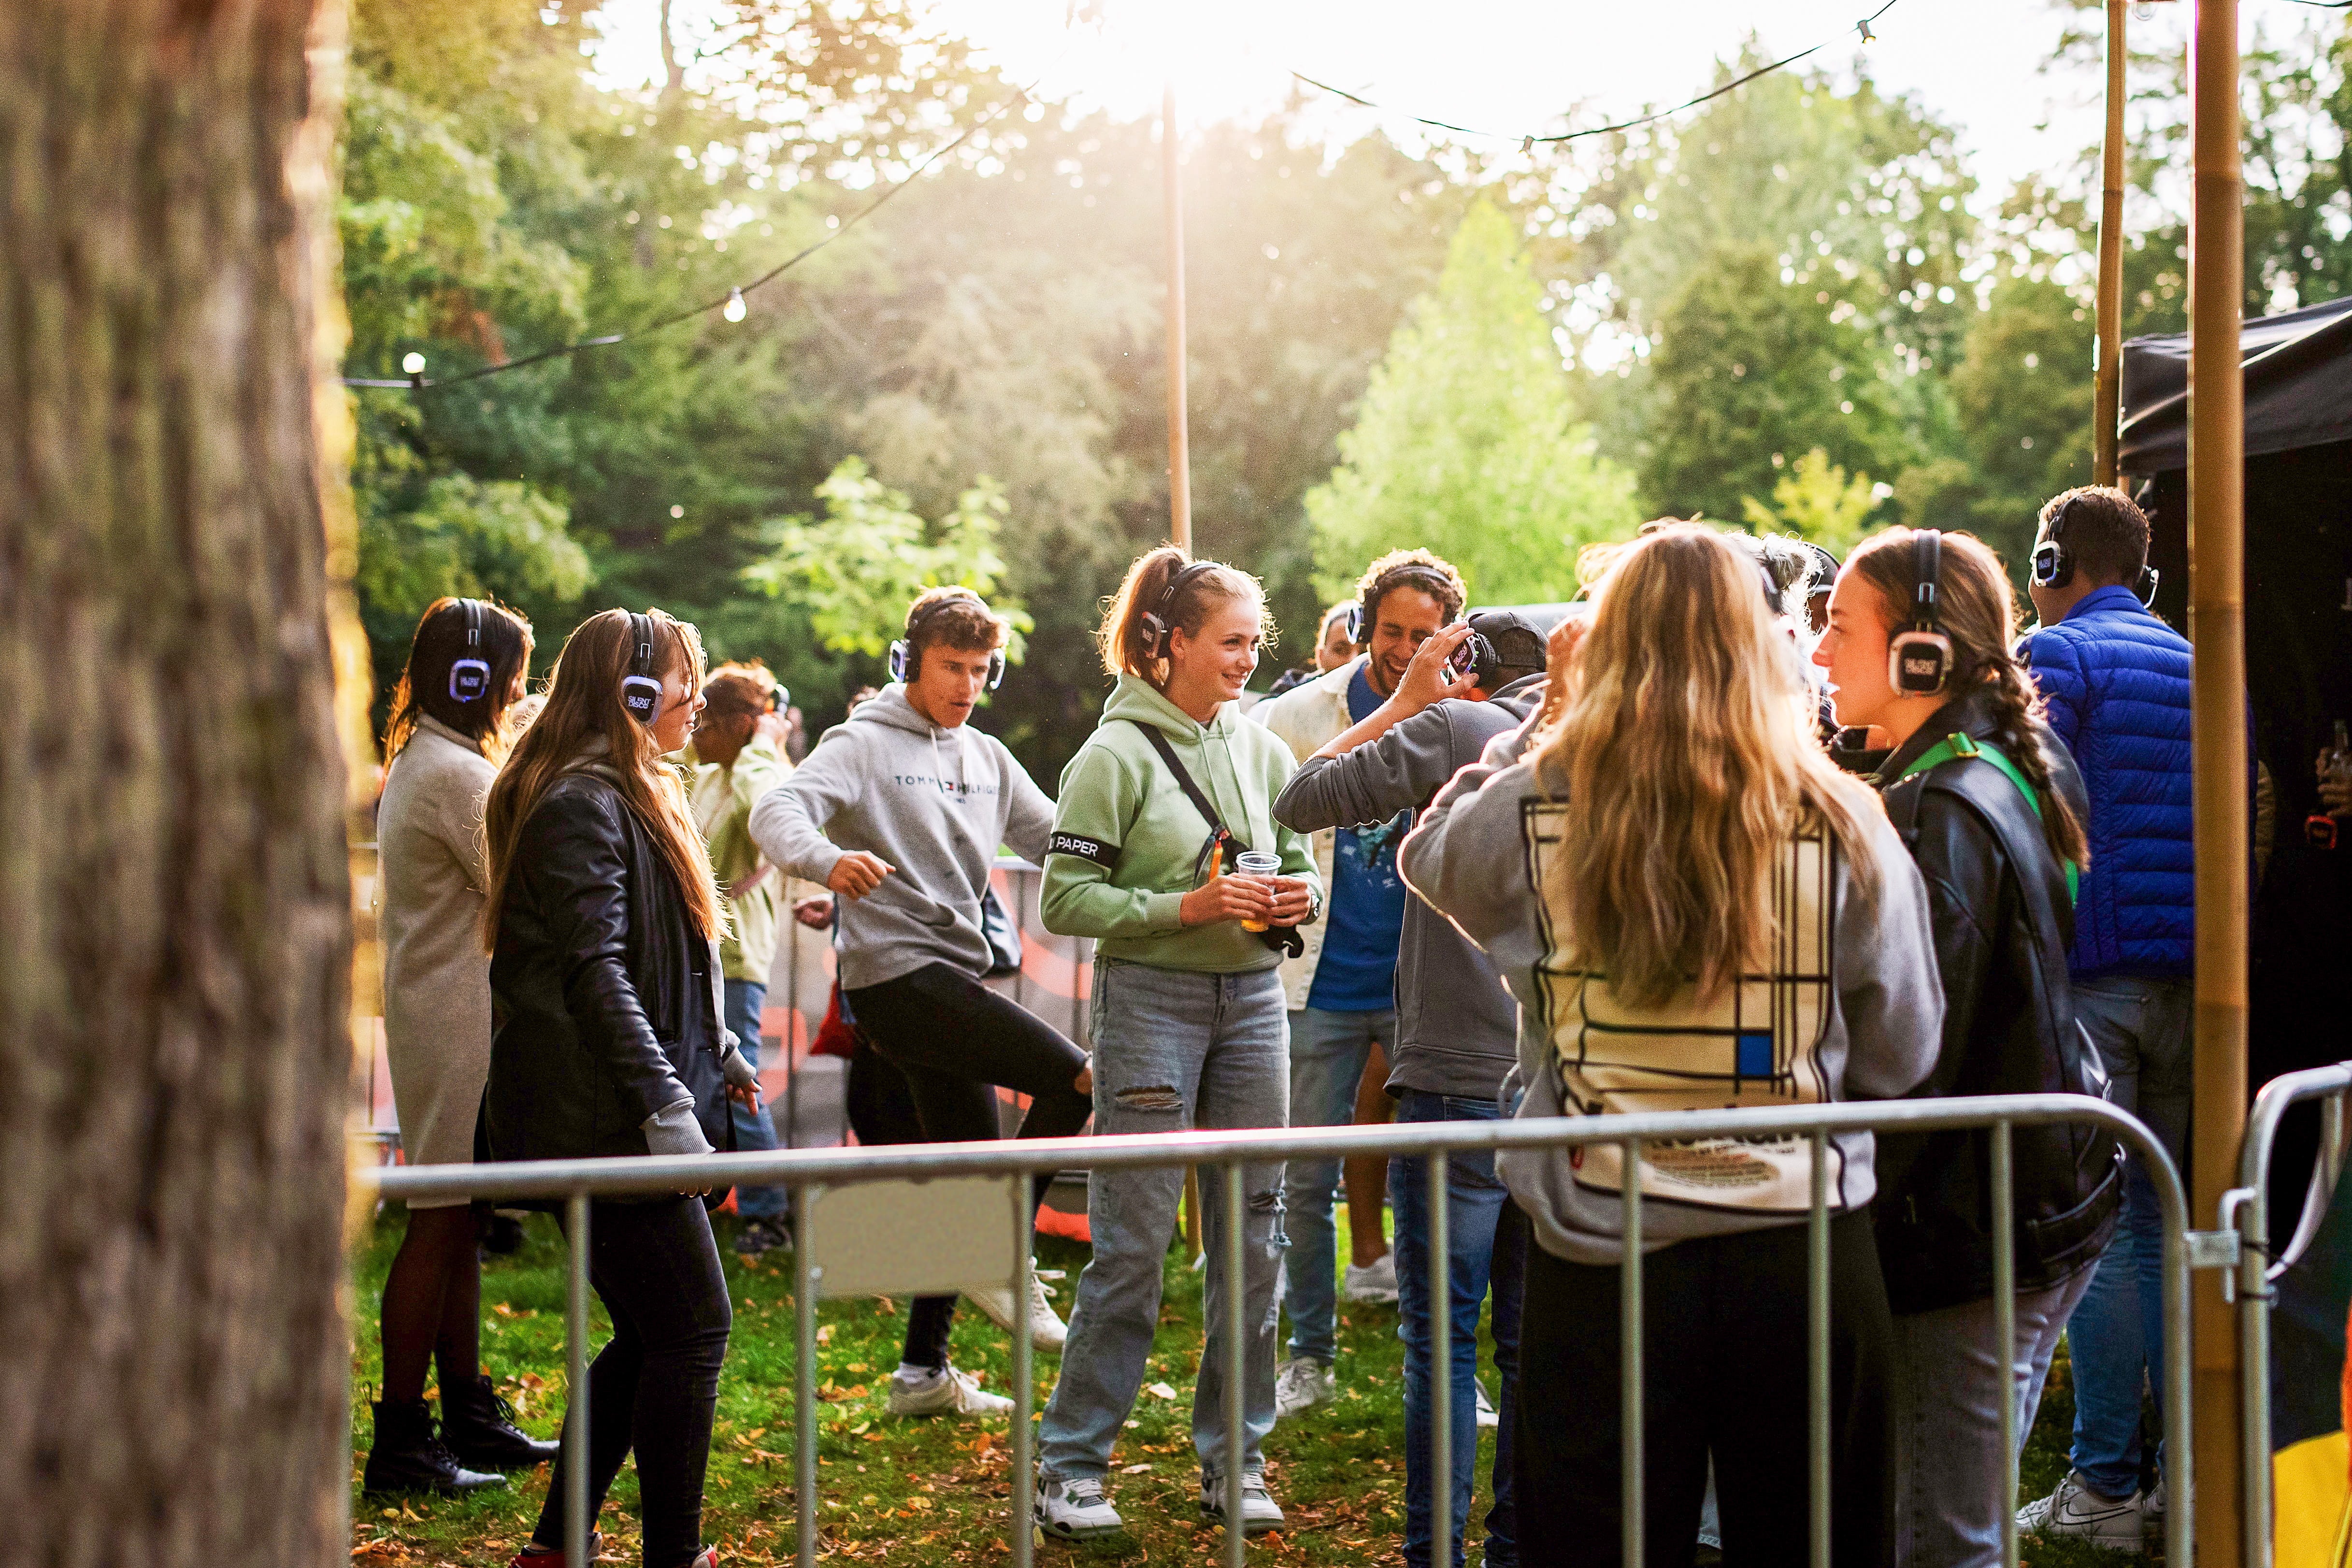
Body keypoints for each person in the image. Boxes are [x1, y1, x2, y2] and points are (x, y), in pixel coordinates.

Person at [1402, 525, 1944, 1567]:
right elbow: (1905, 1044)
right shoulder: (1843, 816)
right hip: (1800, 1244)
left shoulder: (1543, 802)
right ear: (1767, 646)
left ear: (1597, 646)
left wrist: (1546, 721)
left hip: (1603, 1252)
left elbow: (1434, 857)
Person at [1813, 529, 2121, 1567]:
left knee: (1939, 1537)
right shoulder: (2003, 757)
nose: (1818, 652)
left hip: (1969, 1227)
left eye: (1838, 626)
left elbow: (1916, 1054)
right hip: (2029, 1197)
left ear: (1922, 652)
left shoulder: (1941, 806)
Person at [1033, 546, 1321, 1540]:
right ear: (1173, 643)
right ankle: (1070, 1465)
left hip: (1250, 1003)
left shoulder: (1257, 744)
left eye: (1255, 641)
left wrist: (1300, 892)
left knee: (1254, 1242)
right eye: (1232, 641)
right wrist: (1184, 903)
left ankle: (1234, 1460)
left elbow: (1295, 859)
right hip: (1149, 1001)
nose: (1247, 659)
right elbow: (1064, 897)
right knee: (1132, 1246)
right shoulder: (1110, 754)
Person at [749, 588, 1091, 1408]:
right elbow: (777, 807)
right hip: (895, 980)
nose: (967, 685)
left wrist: (1139, 855)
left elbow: (1058, 840)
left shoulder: (986, 757)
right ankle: (1003, 1256)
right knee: (1077, 1077)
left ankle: (921, 1374)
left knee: (964, 1176)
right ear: (909, 662)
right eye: (950, 667)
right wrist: (826, 859)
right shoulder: (863, 742)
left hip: (949, 977)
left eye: (980, 670)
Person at [479, 607, 762, 1568]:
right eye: (685, 677)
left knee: (650, 1330)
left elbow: (649, 957)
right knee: (693, 1326)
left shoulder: (626, 790)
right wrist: (664, 1104)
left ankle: (555, 1548)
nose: (699, 694)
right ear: (631, 692)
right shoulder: (581, 802)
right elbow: (594, 969)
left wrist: (713, 1046)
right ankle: (669, 1555)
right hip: (603, 1123)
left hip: (622, 1111)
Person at [1273, 608, 1550, 1568]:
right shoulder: (1596, 741)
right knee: (1527, 1342)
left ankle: (1434, 1550)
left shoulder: (1460, 730)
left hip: (1453, 1079)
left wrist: (1402, 699)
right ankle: (1518, 1543)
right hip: (1551, 1081)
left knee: (1442, 1340)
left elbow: (1295, 790)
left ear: (1467, 668)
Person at [2010, 487, 2194, 1548]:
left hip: (2097, 976)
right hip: (2194, 981)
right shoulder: (2196, 655)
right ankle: (2174, 1476)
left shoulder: (2061, 658)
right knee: (2171, 1226)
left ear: (2049, 556)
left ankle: (2106, 1484)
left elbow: (2031, 801)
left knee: (2109, 1236)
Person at [1255, 549, 1468, 1415]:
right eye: (1391, 632)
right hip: (1318, 982)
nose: (1404, 649)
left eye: (1424, 635)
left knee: (1436, 1179)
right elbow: (1260, 812)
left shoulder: (1468, 715)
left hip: (1425, 981)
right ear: (1364, 623)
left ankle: (1445, 1370)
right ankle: (1309, 1353)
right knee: (1303, 1179)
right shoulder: (1298, 712)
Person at [363, 596, 556, 1495]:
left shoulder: (430, 758)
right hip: (454, 1023)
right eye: (516, 680)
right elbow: (523, 888)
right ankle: (402, 1439)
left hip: (443, 1015)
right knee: (439, 1224)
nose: (519, 697)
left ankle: (469, 1416)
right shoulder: (455, 775)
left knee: (462, 1221)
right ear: (473, 679)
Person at [688, 662, 796, 1256]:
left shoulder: (764, 773)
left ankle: (767, 1214)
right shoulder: (703, 775)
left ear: (741, 725)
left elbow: (767, 813)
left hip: (738, 958)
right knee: (696, 1084)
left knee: (739, 1083)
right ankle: (702, 1203)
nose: (697, 734)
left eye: (707, 723)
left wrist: (763, 747)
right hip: (699, 953)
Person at [1264, 600, 1358, 697]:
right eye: (1341, 650)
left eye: (1365, 653)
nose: (1354, 661)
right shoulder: (1289, 693)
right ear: (1320, 656)